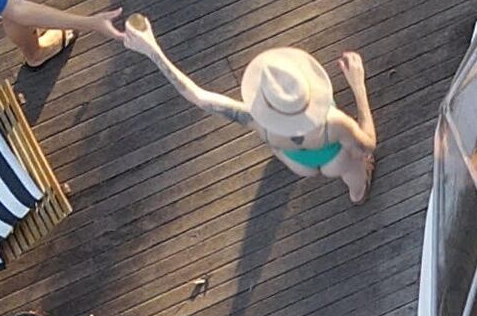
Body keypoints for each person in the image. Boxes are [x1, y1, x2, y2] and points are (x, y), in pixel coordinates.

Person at [116, 18, 379, 201]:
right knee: (354, 175)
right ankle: (359, 193)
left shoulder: (255, 120)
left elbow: (199, 97)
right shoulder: (334, 123)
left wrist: (152, 51)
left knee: (299, 161)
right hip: (334, 159)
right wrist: (358, 86)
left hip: (296, 162)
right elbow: (368, 144)